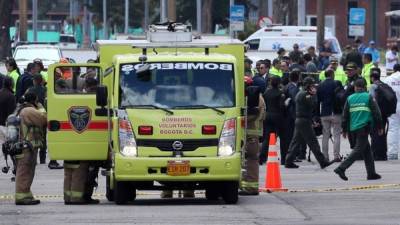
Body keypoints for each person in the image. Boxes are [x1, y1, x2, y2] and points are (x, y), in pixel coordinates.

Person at [334, 79, 383, 181]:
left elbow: (345, 115)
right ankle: (341, 168)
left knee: (367, 151)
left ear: (355, 87)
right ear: (365, 87)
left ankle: (371, 173)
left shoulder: (350, 98)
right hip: (363, 128)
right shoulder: (368, 97)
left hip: (353, 129)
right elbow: (377, 113)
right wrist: (380, 127)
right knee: (358, 150)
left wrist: (344, 129)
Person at [285, 77, 336, 169]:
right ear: (308, 85)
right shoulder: (306, 95)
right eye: (312, 85)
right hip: (304, 121)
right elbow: (313, 104)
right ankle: (322, 161)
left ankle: (288, 161)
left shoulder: (301, 93)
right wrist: (314, 94)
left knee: (295, 142)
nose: (314, 87)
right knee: (313, 142)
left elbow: (305, 109)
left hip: (301, 120)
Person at [15, 92, 46, 205]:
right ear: (34, 100)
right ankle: (21, 197)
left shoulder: (23, 110)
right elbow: (44, 119)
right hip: (26, 147)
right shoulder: (29, 111)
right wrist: (41, 107)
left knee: (28, 171)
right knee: (24, 171)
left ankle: (26, 194)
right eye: (37, 100)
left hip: (26, 146)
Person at [239, 83, 265, 195]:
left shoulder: (254, 99)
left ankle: (251, 188)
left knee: (250, 160)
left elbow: (251, 115)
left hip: (250, 134)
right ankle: (247, 186)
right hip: (252, 134)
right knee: (248, 161)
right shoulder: (258, 97)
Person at [259, 76, 288, 165]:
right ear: (279, 83)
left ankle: (262, 158)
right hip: (278, 117)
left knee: (267, 138)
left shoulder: (266, 93)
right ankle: (283, 158)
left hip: (268, 116)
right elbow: (281, 106)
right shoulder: (280, 93)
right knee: (283, 138)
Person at [317, 70, 342, 161]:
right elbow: (341, 97)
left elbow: (318, 101)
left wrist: (317, 115)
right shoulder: (337, 84)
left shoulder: (320, 85)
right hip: (336, 112)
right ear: (332, 75)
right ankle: (336, 156)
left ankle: (325, 156)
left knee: (325, 135)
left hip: (324, 112)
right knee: (336, 135)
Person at [369, 68, 389, 161]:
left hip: (376, 114)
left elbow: (371, 100)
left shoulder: (373, 86)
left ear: (372, 78)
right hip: (384, 113)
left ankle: (376, 155)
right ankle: (383, 154)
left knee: (375, 134)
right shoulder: (384, 85)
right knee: (382, 133)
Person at [384, 64, 400, 160]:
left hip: (394, 107)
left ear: (394, 70)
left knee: (393, 129)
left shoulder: (389, 79)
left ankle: (393, 153)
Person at [0, 77, 17, 152]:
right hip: (5, 125)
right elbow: (12, 113)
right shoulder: (11, 96)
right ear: (11, 84)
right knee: (8, 145)